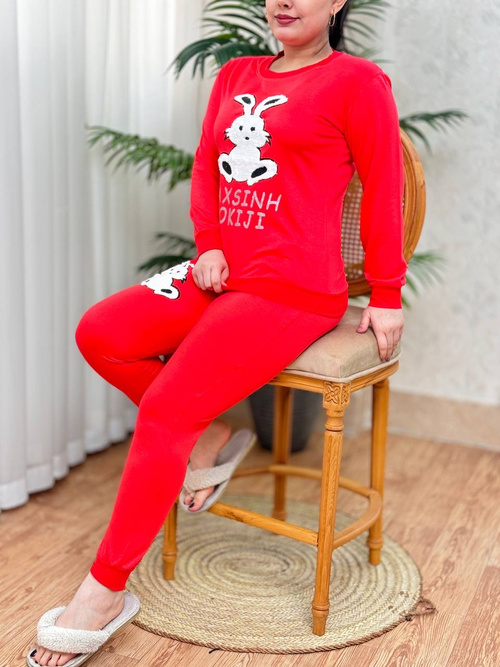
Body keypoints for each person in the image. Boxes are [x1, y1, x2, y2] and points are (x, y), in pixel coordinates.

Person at [28, 0, 406, 664]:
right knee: (102, 332)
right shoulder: (237, 74)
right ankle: (207, 438)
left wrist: (386, 294)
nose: (283, 1)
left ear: (338, 2)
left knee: (166, 406)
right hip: (222, 270)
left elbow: (383, 186)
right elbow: (207, 163)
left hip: (292, 288)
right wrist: (208, 242)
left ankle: (103, 593)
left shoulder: (357, 82)